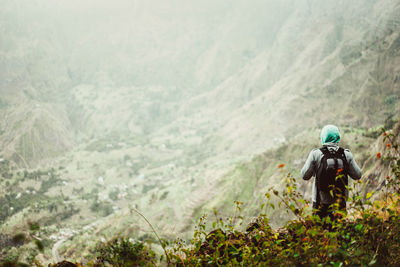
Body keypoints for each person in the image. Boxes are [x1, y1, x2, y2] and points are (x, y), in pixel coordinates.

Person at [301, 125, 362, 220]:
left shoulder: (316, 154)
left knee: (319, 232)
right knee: (339, 231)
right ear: (338, 137)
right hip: (339, 203)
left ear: (323, 137)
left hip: (320, 203)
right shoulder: (346, 154)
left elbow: (304, 175)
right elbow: (358, 175)